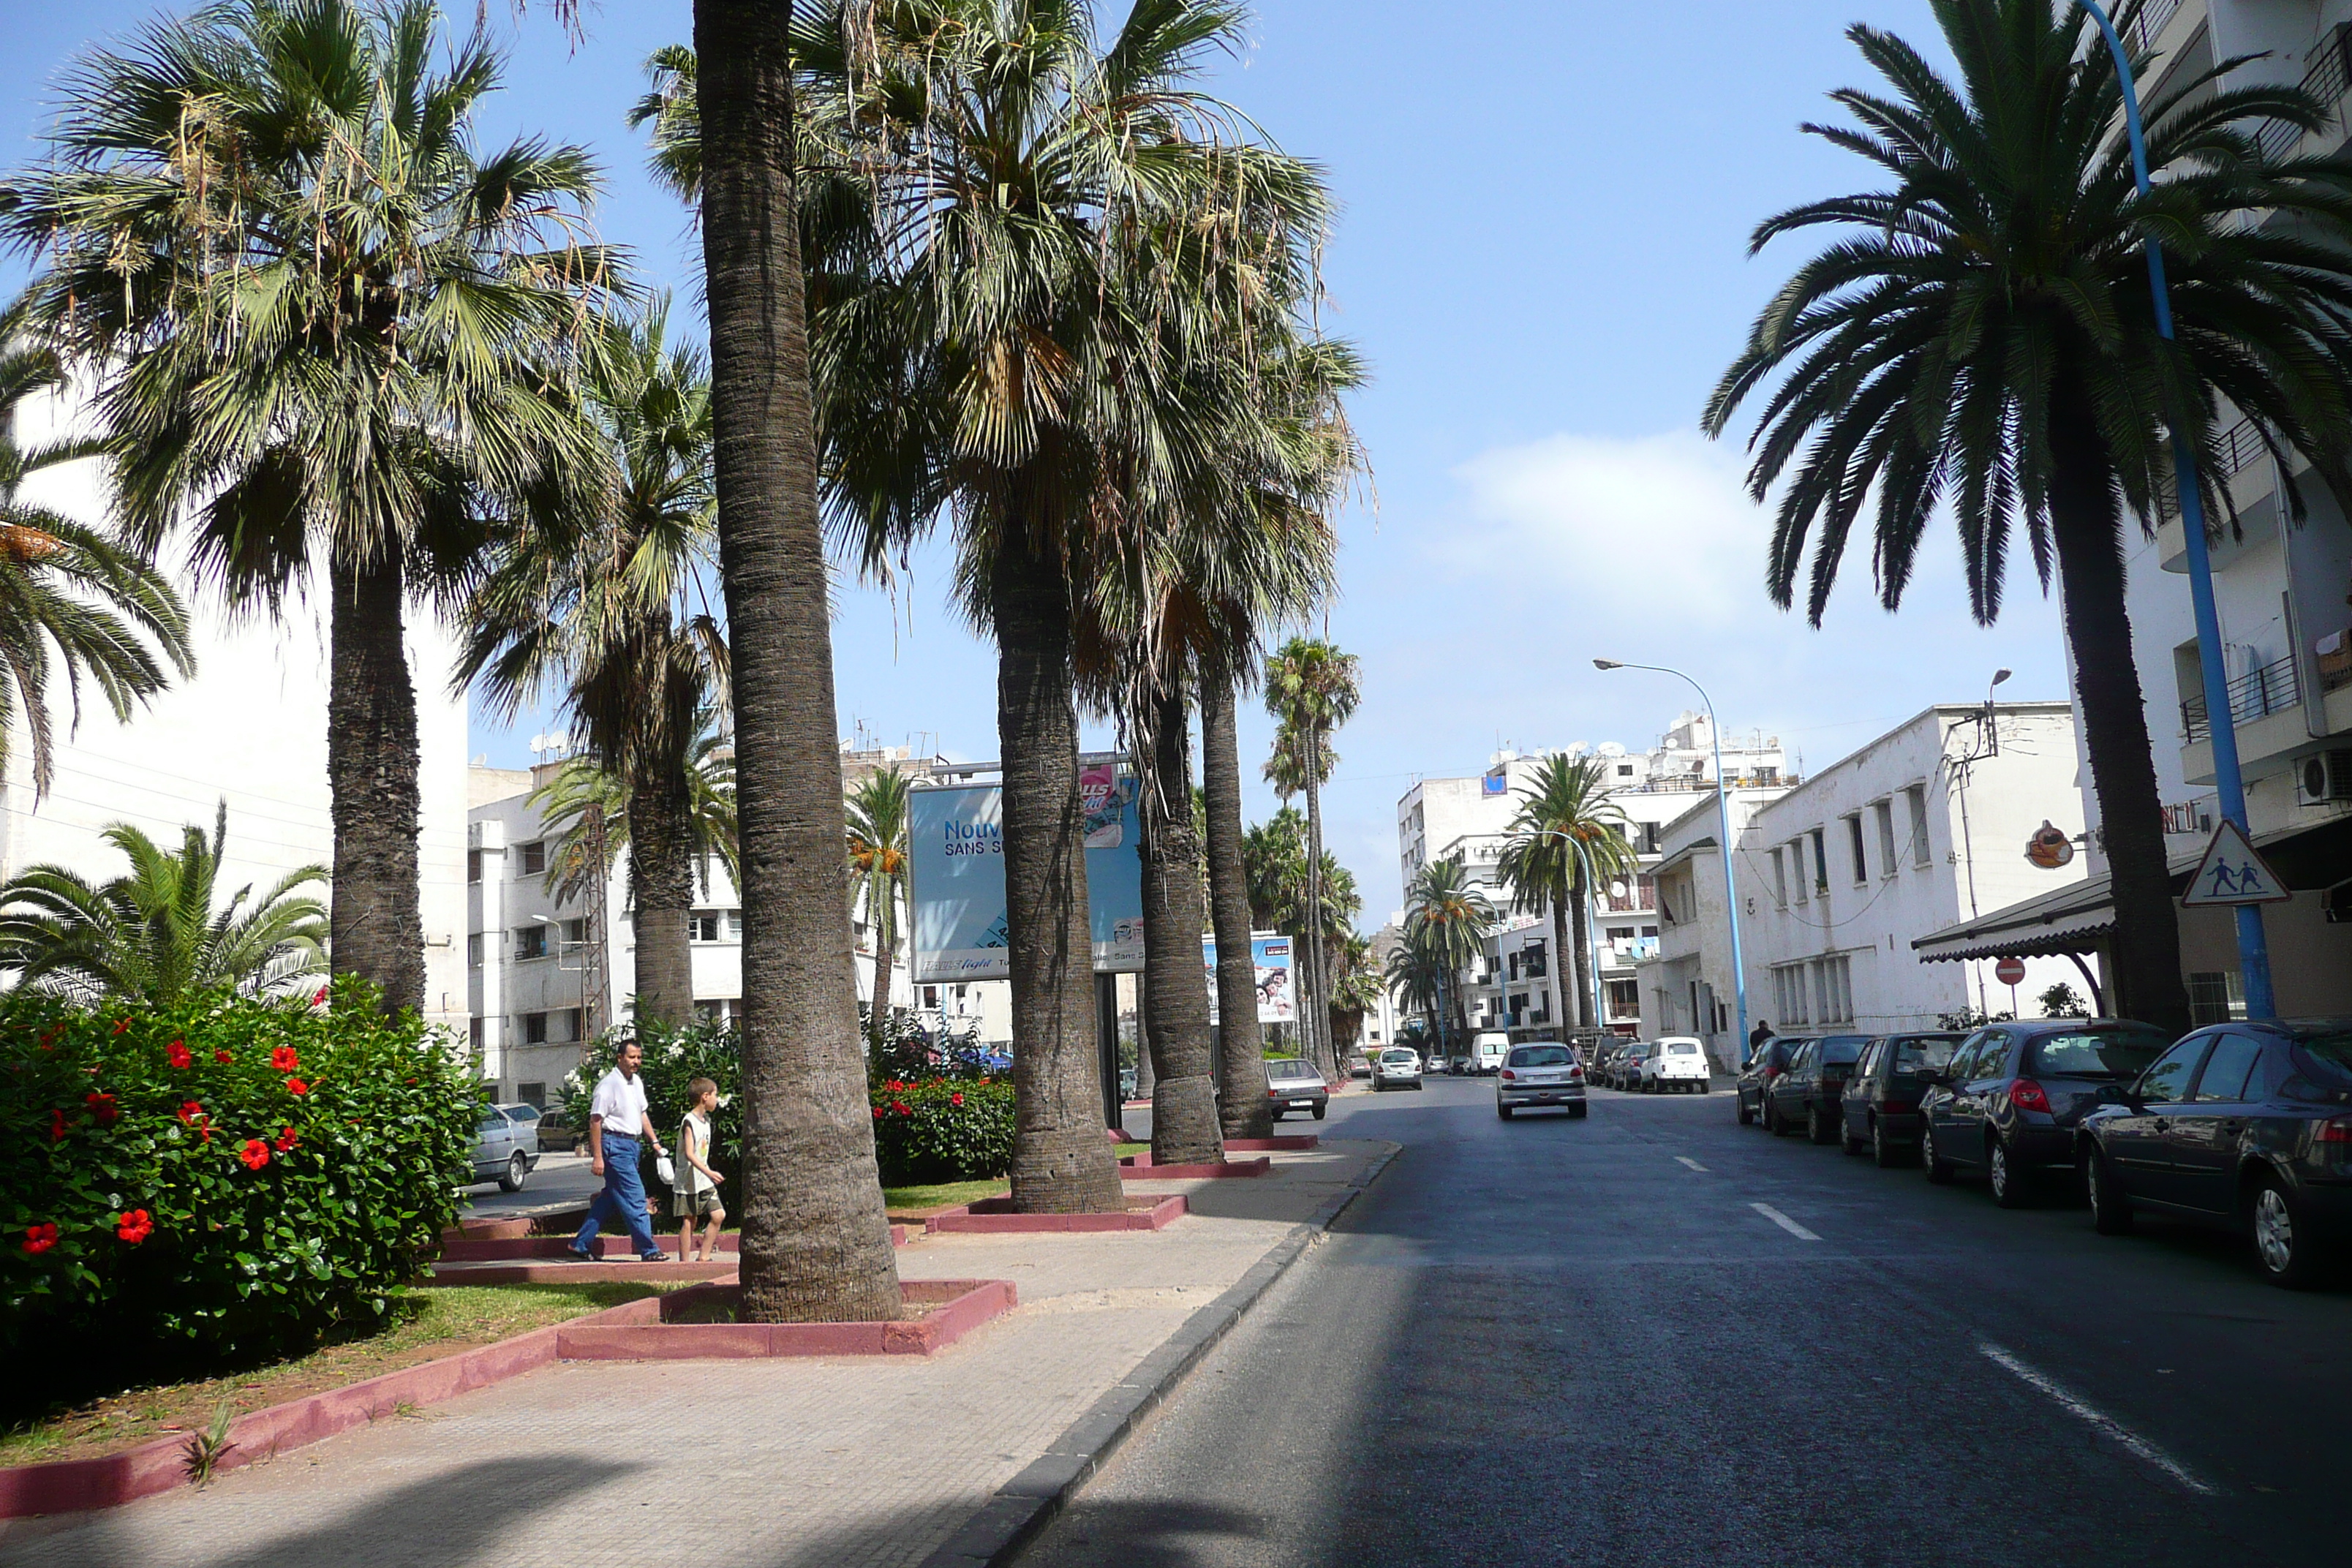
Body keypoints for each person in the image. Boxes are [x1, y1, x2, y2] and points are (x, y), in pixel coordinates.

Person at [568, 1039, 671, 1262]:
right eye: (632, 1057)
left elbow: (641, 1114)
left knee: (610, 1198)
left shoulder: (636, 1082)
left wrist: (654, 1142)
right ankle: (649, 1250)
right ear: (620, 1058)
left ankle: (580, 1243)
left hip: (632, 1145)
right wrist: (598, 1158)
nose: (636, 1062)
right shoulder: (608, 1085)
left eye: (639, 1057)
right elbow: (595, 1121)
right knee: (635, 1198)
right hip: (614, 1146)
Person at [674, 1077, 727, 1263]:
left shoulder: (705, 1122)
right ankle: (684, 1264)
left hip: (703, 1180)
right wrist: (709, 1172)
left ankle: (704, 1257)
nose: (717, 1099)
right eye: (715, 1095)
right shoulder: (689, 1121)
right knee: (690, 1221)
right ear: (705, 1096)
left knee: (718, 1215)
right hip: (688, 1180)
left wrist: (707, 1174)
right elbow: (689, 1153)